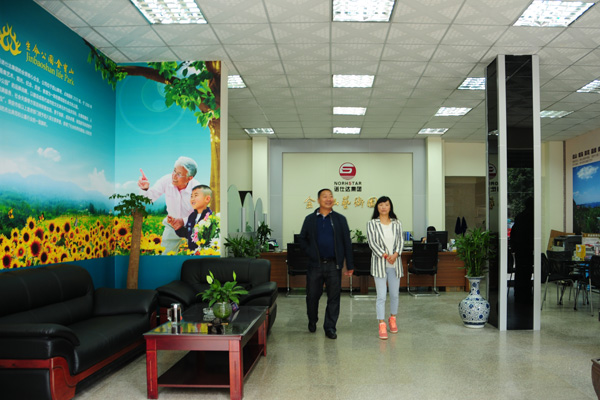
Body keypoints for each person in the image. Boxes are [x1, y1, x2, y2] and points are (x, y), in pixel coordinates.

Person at [299, 188, 354, 339]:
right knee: (312, 296)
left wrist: (350, 265)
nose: (328, 199)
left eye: (331, 196)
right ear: (318, 200)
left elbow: (347, 242)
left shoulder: (340, 219)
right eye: (325, 196)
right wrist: (310, 252)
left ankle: (330, 327)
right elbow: (302, 239)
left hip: (333, 265)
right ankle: (312, 319)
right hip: (315, 265)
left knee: (334, 297)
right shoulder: (310, 219)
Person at [138, 156, 200, 254]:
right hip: (172, 225)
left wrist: (183, 221)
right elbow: (149, 198)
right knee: (165, 255)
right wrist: (145, 189)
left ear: (189, 178)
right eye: (174, 171)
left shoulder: (197, 189)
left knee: (198, 254)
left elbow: (200, 213)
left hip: (193, 226)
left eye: (179, 174)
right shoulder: (166, 180)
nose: (174, 176)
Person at [366, 196, 404, 340]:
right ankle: (381, 323)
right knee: (381, 296)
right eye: (381, 204)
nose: (383, 207)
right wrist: (385, 255)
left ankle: (392, 319)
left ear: (390, 207)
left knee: (394, 295)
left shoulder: (397, 223)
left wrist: (395, 254)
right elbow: (372, 243)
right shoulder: (372, 224)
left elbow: (400, 241)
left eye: (386, 205)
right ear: (377, 207)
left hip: (395, 265)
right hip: (380, 265)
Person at [173, 185, 212, 251]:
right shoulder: (192, 216)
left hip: (204, 253)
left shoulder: (210, 217)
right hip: (192, 252)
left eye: (196, 196)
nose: (192, 199)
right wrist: (178, 228)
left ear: (207, 199)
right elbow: (188, 234)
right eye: (191, 196)